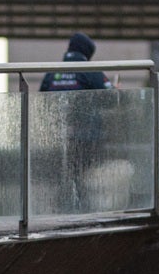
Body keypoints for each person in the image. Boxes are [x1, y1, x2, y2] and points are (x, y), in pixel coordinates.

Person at [39, 32, 113, 211]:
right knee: (83, 175)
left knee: (65, 174)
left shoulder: (52, 72)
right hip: (87, 137)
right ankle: (81, 207)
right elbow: (110, 97)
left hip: (58, 137)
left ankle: (63, 206)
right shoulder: (91, 71)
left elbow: (41, 99)